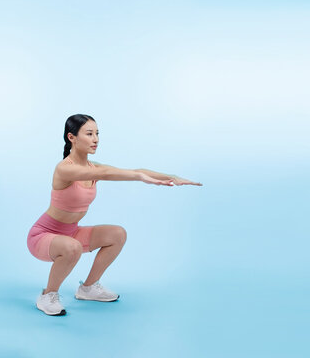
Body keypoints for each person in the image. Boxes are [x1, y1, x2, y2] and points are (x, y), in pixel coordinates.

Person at [26, 114, 203, 316]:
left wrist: (171, 177)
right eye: (89, 134)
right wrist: (139, 177)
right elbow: (105, 174)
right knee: (72, 247)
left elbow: (133, 170)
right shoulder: (64, 169)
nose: (96, 139)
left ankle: (88, 288)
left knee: (117, 234)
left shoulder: (93, 166)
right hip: (43, 236)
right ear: (71, 137)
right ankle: (48, 295)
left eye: (97, 134)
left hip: (70, 233)